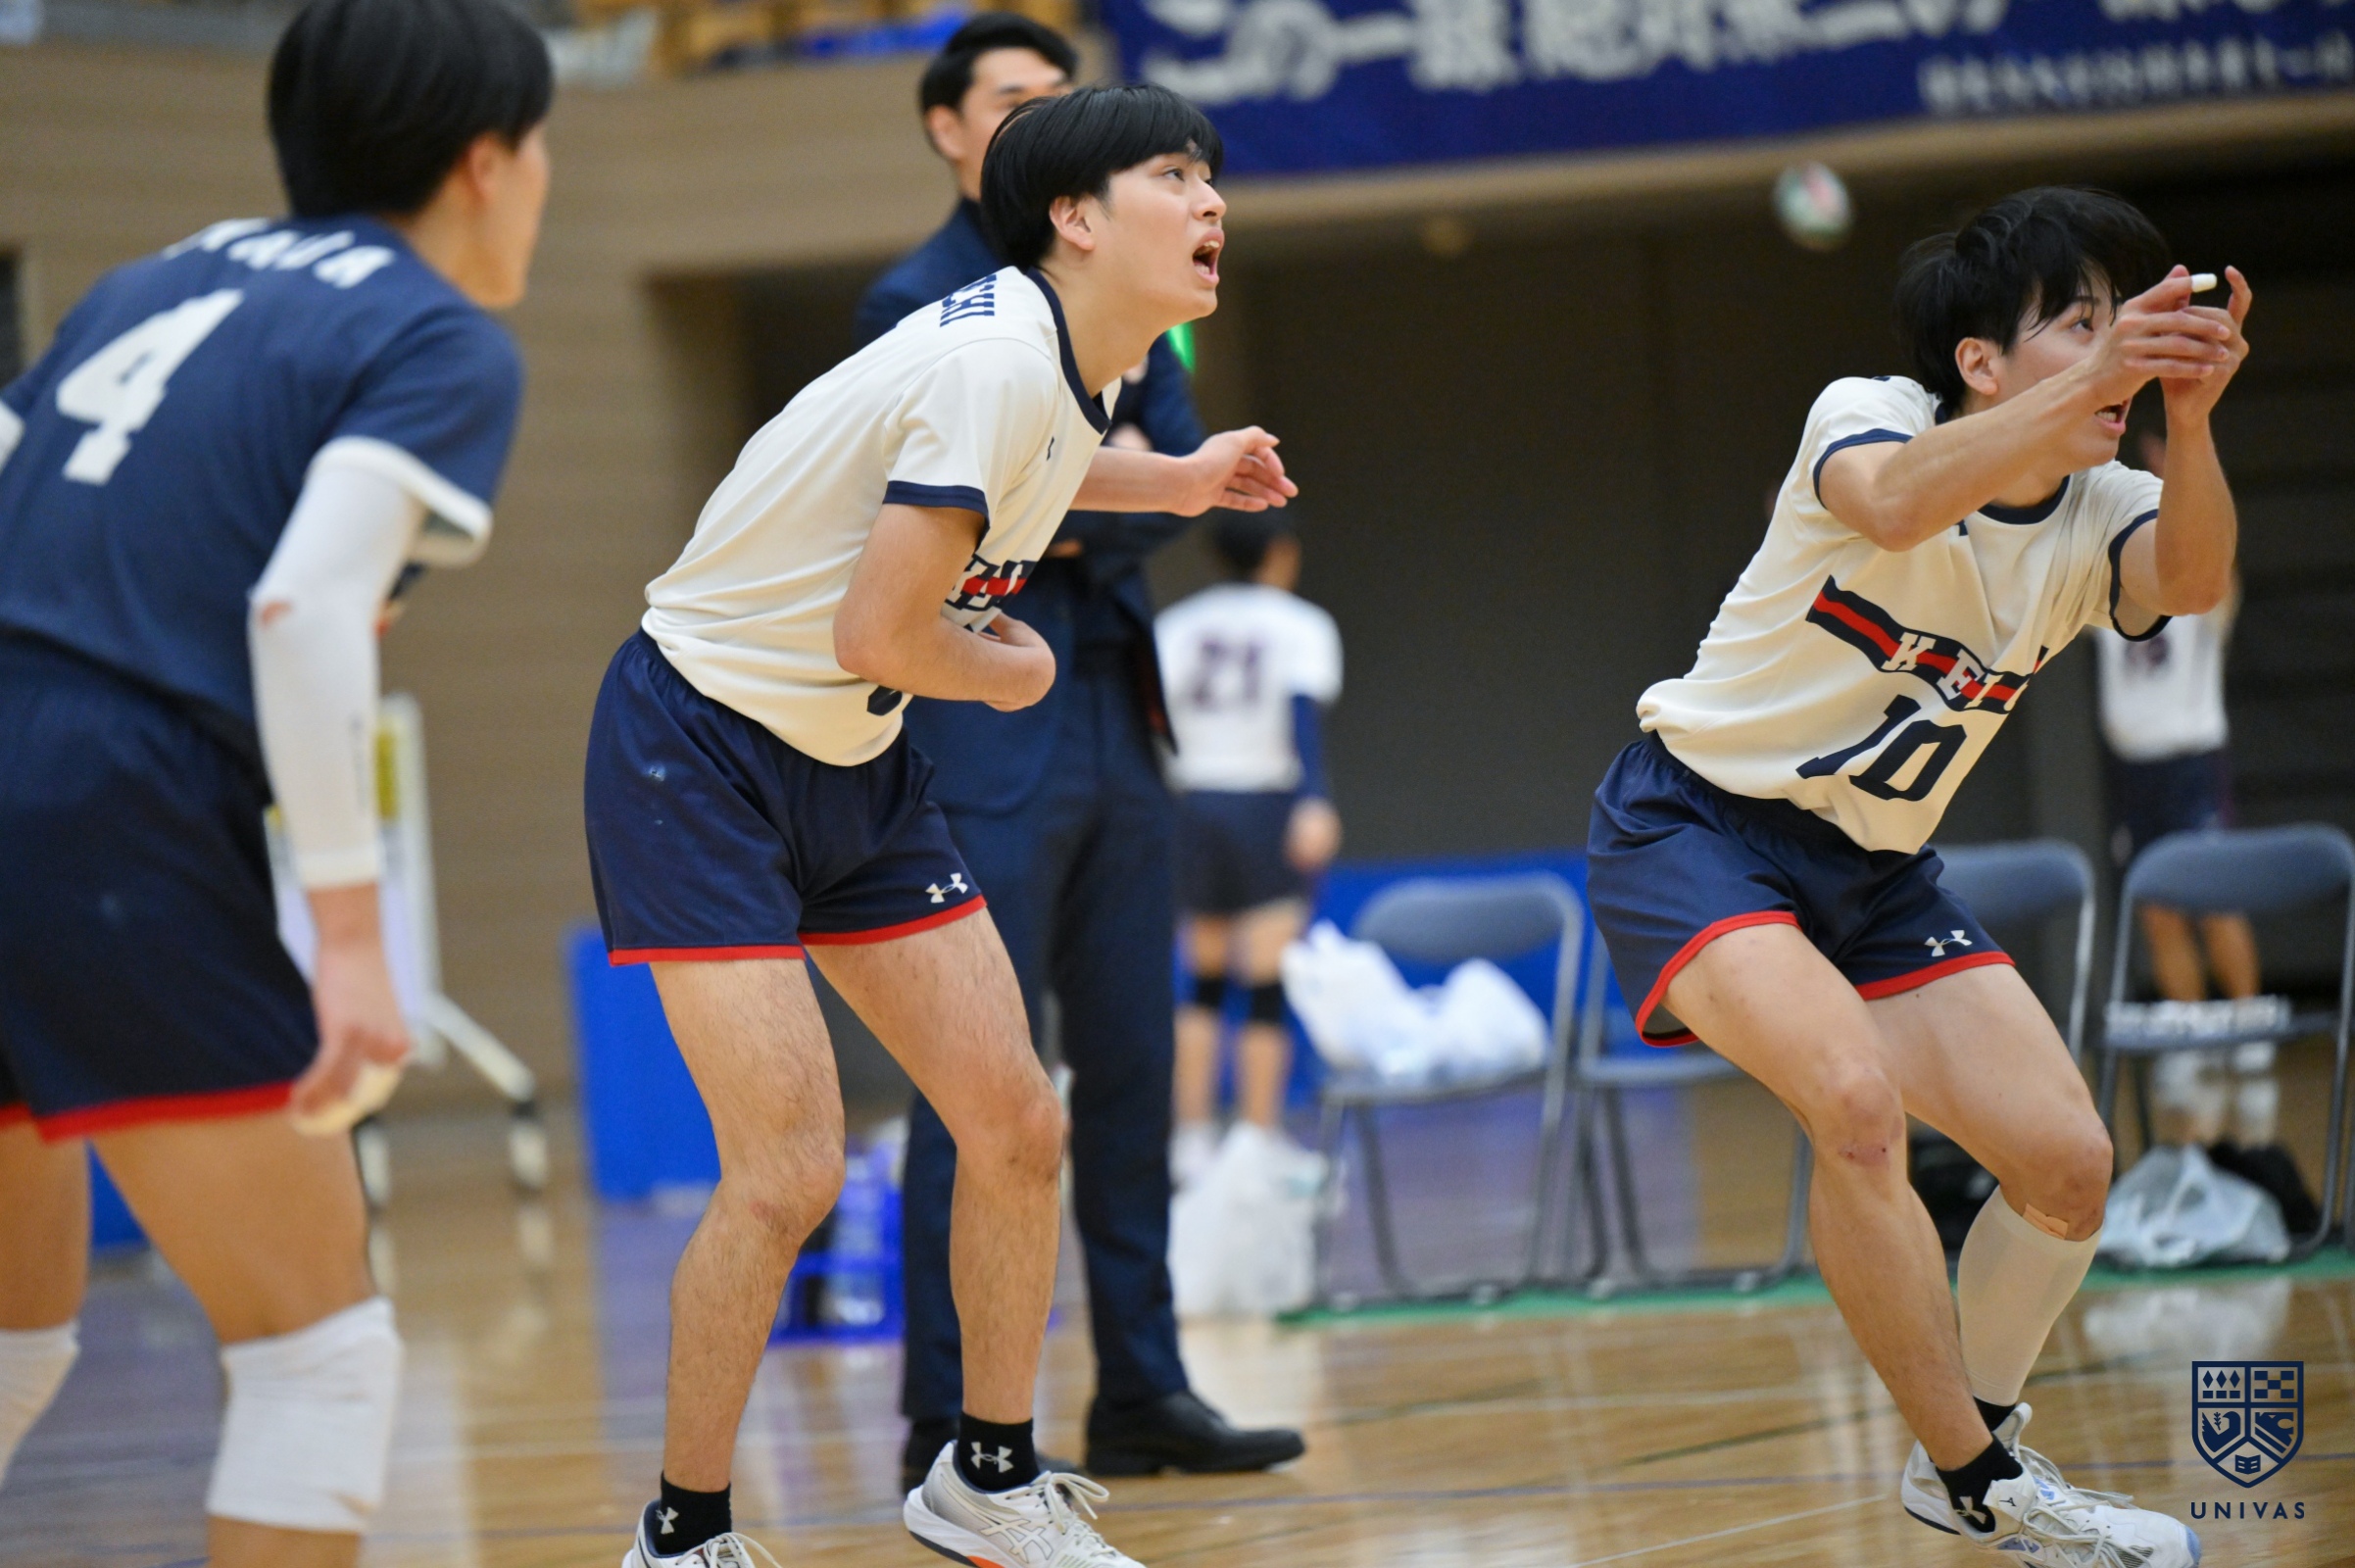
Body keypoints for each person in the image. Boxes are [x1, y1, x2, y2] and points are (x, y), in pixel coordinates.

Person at [584, 85, 1296, 1568]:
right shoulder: (994, 360)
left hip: (851, 761)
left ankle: (985, 1479)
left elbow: (1037, 465)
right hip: (697, 750)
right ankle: (682, 1534)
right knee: (787, 1169)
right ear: (1075, 219)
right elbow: (880, 632)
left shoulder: (1053, 363)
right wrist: (1013, 671)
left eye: (1211, 177)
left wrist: (1171, 480)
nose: (1211, 201)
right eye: (1175, 176)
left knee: (1016, 1123)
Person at [1586, 187, 2250, 1566]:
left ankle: (1968, 1445)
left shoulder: (2099, 507)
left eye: (2125, 325)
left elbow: (2186, 582)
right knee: (1851, 1102)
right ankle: (1980, 1478)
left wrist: (2186, 421)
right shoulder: (1869, 416)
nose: (2117, 353)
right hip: (1696, 827)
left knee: (2068, 1164)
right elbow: (1890, 507)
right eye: (2080, 325)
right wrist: (2111, 372)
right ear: (1978, 363)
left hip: (1875, 874)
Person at [0, 1, 548, 1561]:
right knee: (316, 1358)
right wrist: (353, 945)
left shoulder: (148, 280)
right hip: (105, 802)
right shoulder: (435, 335)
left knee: (12, 1340)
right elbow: (302, 609)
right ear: (487, 160)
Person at [857, 12, 1305, 1486]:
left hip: (1118, 698)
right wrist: (1123, 489)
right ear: (948, 129)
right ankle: (946, 1416)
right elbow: (998, 507)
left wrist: (1127, 492)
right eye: (1013, 97)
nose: (1045, 114)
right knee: (979, 1072)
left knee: (1129, 1061)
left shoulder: (1140, 303)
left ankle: (1145, 1386)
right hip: (979, 711)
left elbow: (1165, 480)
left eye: (1061, 94)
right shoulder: (919, 303)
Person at [2093, 431, 2312, 1228]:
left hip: (2191, 765)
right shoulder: (2109, 599)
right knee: (2156, 911)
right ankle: (2189, 1034)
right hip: (2134, 774)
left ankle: (2245, 1027)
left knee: (2216, 902)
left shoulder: (2197, 591)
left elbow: (2220, 560)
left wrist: (2180, 480)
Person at [1157, 511, 1342, 1184]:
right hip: (1266, 803)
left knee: (1202, 982)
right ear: (1282, 554)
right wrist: (1315, 799)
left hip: (1193, 802)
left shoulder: (1176, 626)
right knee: (1265, 985)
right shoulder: (1302, 625)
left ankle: (1191, 1140)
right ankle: (1258, 1142)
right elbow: (1300, 716)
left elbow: (1152, 721)